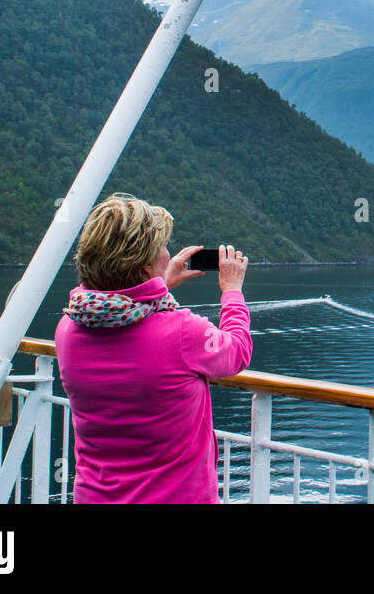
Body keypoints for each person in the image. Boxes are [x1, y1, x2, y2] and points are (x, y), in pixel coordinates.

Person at [54, 193, 252, 503]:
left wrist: (160, 285)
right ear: (146, 266)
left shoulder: (69, 328)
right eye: (161, 247)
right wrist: (232, 292)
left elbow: (121, 313)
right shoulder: (184, 333)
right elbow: (237, 351)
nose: (167, 252)